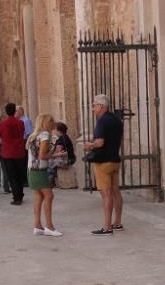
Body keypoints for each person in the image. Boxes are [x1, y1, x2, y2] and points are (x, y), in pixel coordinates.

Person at [84, 94, 124, 235]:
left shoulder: (102, 121)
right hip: (115, 160)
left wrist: (90, 145)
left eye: (94, 105)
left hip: (103, 162)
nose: (93, 108)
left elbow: (100, 142)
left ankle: (107, 227)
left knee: (106, 194)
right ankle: (117, 222)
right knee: (116, 192)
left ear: (101, 106)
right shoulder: (117, 120)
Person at [27, 115, 62, 237]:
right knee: (49, 195)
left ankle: (37, 225)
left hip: (32, 170)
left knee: (38, 196)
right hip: (39, 170)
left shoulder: (34, 136)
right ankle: (49, 226)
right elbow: (42, 155)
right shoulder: (45, 135)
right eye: (51, 121)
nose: (54, 122)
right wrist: (56, 155)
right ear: (45, 123)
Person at [0, 102, 27, 205]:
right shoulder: (20, 123)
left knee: (12, 176)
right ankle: (20, 193)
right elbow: (22, 133)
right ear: (15, 111)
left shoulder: (2, 123)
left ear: (6, 111)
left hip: (8, 153)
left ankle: (16, 197)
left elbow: (0, 135)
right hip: (19, 151)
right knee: (19, 174)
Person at [49, 121, 76, 189]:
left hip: (66, 161)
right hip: (71, 158)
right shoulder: (66, 137)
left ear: (58, 130)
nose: (54, 131)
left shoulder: (61, 140)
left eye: (55, 129)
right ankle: (53, 179)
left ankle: (50, 181)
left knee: (48, 163)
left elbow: (56, 152)